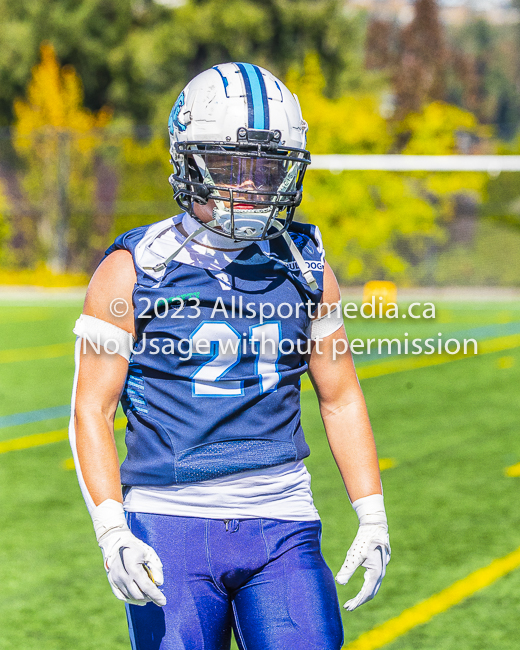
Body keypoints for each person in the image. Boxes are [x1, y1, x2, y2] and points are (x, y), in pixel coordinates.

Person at [69, 62, 390, 650]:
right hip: (169, 520)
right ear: (188, 160)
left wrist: (372, 512)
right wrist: (111, 527)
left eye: (267, 166)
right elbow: (91, 409)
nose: (250, 183)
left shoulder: (307, 266)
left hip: (282, 520)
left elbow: (340, 397)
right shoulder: (134, 269)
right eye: (229, 164)